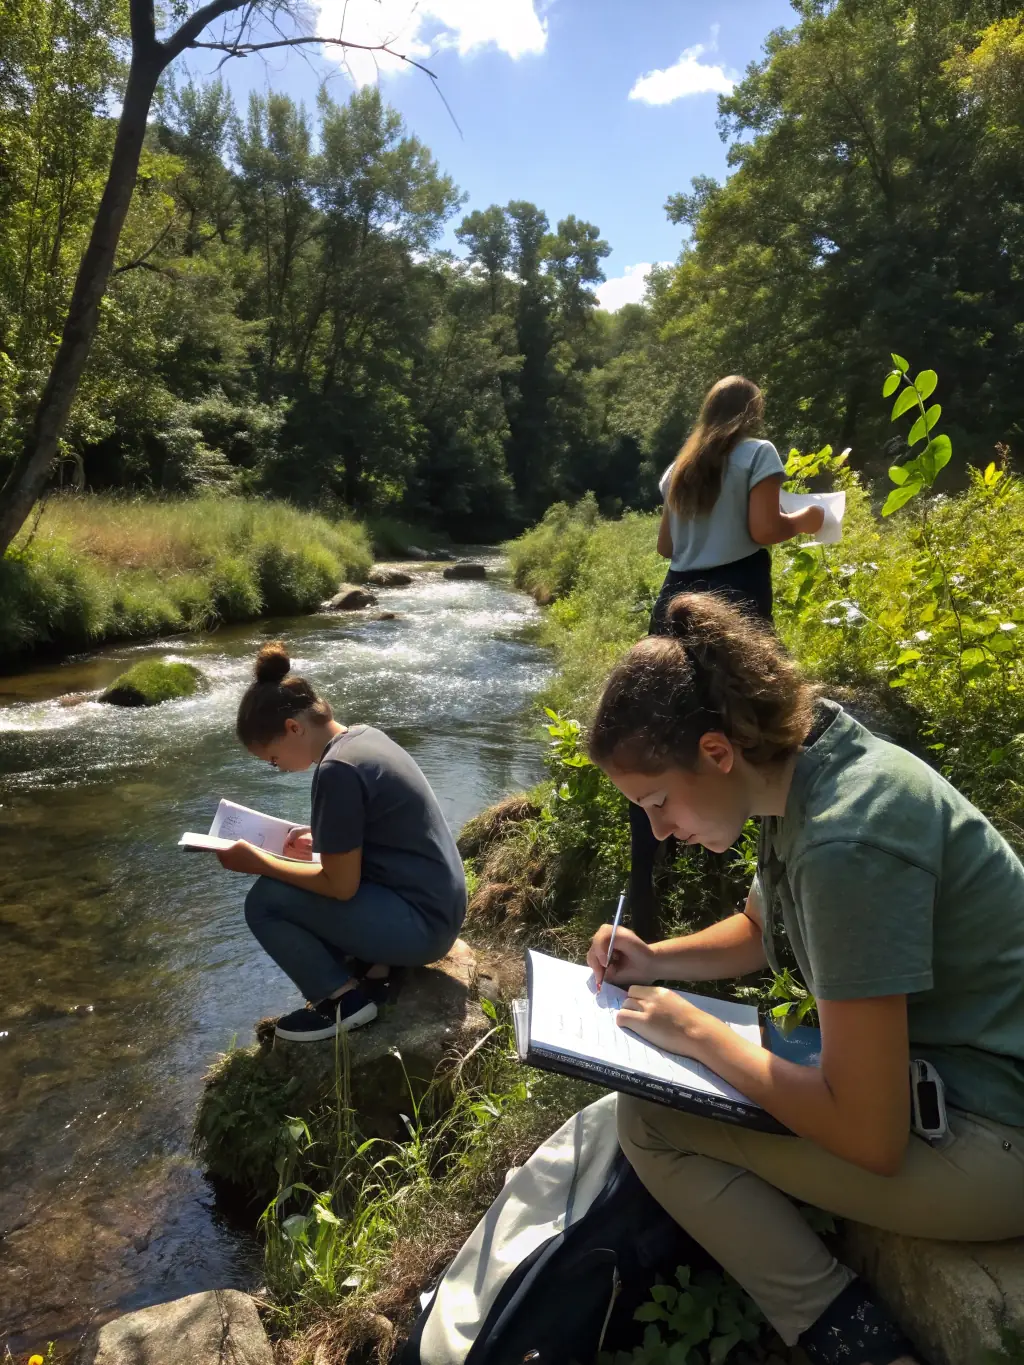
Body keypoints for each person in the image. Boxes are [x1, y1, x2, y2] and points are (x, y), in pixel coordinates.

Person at [586, 593, 1024, 1365]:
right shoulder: (810, 766)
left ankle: (851, 1337)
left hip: (1001, 1134)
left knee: (652, 1120)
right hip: (964, 1079)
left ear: (717, 751)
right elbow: (761, 928)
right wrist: (655, 959)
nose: (658, 831)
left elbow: (870, 1136)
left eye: (658, 801)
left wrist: (706, 1037)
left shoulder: (843, 842)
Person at [630, 374, 825, 940]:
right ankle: (738, 889)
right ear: (752, 412)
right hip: (733, 597)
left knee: (666, 728)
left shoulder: (681, 467)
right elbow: (765, 528)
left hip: (674, 599)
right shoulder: (758, 453)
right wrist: (808, 520)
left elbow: (666, 547)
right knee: (743, 732)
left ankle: (650, 890)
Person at [215, 642, 467, 1041]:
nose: (276, 770)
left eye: (273, 759)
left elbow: (340, 885)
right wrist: (324, 839)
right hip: (438, 909)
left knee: (266, 900)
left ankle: (342, 1003)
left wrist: (258, 861)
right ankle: (373, 967)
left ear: (293, 728)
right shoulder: (363, 739)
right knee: (296, 879)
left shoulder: (336, 771)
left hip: (422, 928)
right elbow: (380, 830)